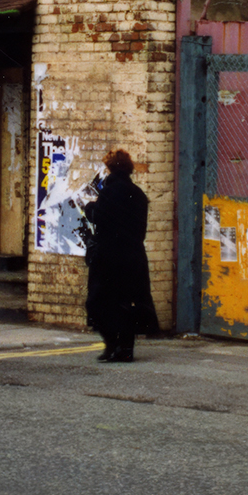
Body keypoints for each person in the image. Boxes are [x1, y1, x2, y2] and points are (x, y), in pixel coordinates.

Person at [83, 149, 158, 363]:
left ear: (110, 168)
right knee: (126, 303)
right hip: (133, 256)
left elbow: (99, 217)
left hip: (109, 257)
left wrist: (90, 206)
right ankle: (125, 348)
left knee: (100, 302)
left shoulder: (109, 192)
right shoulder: (138, 194)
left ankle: (111, 346)